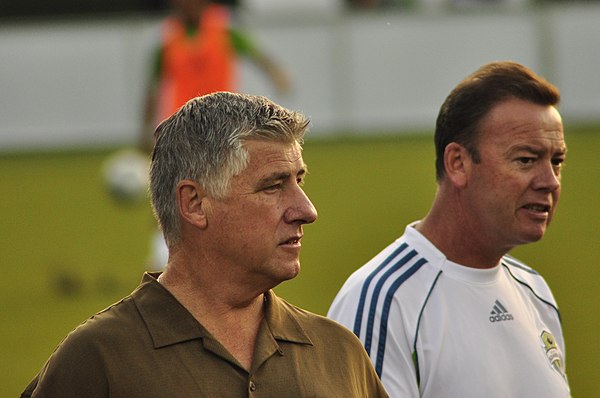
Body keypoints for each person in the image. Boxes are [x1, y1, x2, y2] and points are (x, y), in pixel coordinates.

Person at [22, 92, 388, 398]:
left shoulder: (340, 354)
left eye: (299, 180)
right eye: (273, 186)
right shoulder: (99, 360)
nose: (307, 211)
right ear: (195, 204)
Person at [327, 61, 570, 397]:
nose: (549, 181)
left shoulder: (535, 291)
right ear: (458, 163)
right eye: (526, 160)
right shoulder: (384, 300)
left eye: (556, 161)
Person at [140, 0, 291, 271]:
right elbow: (153, 87)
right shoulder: (166, 39)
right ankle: (160, 253)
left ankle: (227, 246)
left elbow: (257, 54)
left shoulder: (223, 30)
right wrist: (144, 130)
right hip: (179, 126)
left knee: (223, 187)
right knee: (172, 188)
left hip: (221, 127)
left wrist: (277, 75)